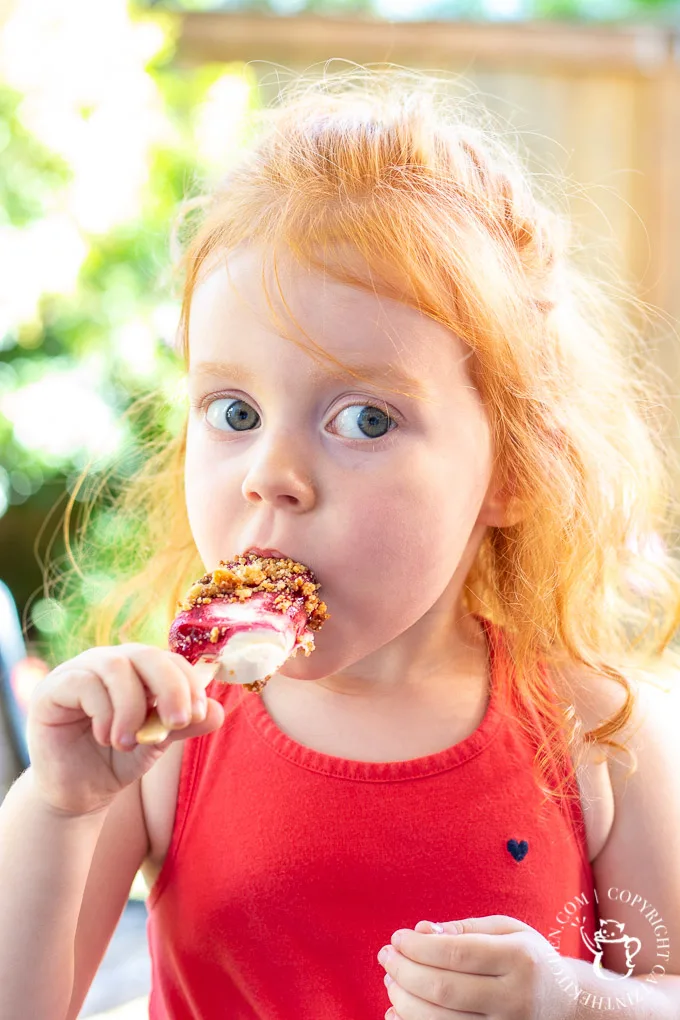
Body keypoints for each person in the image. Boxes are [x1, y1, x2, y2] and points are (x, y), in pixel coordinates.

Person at [1, 67, 679, 1020]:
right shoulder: (163, 740)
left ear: (512, 471)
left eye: (364, 419)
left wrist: (578, 997)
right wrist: (56, 808)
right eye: (234, 410)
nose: (269, 473)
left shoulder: (596, 733)